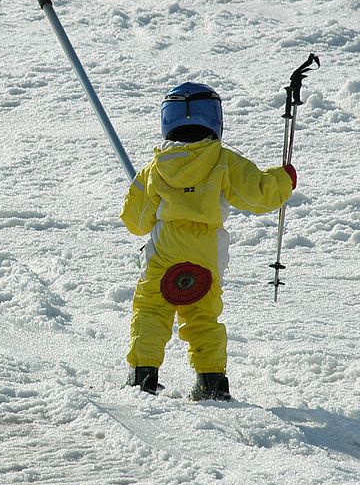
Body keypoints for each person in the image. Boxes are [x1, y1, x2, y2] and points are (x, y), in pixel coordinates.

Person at [120, 82, 296, 400]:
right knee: (202, 314)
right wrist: (283, 181)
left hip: (165, 252)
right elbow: (258, 193)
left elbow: (136, 221)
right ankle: (211, 379)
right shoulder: (223, 161)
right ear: (214, 119)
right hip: (207, 254)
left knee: (151, 309)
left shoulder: (155, 169)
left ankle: (143, 373)